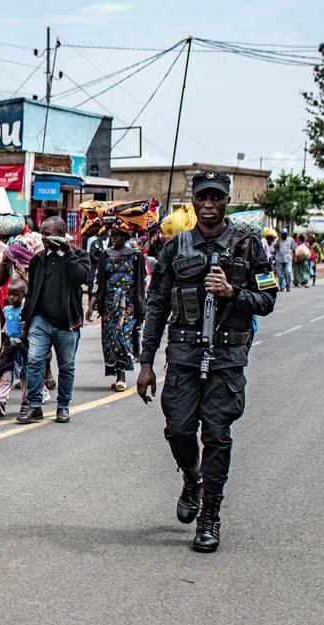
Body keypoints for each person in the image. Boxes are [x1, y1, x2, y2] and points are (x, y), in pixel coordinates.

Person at [137, 170, 276, 553]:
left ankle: (210, 516)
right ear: (193, 201)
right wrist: (146, 361)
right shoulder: (175, 247)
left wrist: (233, 293)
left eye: (217, 198)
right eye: (203, 198)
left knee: (217, 435)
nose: (209, 205)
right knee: (179, 430)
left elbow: (267, 300)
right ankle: (192, 478)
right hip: (182, 355)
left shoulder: (250, 247)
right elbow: (157, 306)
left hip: (228, 357)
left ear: (227, 201)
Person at [17, 216, 89, 424]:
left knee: (66, 366)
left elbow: (82, 277)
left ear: (60, 234)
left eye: (47, 234)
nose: (43, 238)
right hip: (40, 320)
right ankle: (35, 406)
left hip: (67, 323)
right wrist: (25, 319)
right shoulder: (38, 259)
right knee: (34, 360)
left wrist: (67, 253)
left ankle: (63, 406)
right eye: (42, 233)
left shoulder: (78, 255)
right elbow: (32, 292)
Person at [87, 227, 147, 392]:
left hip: (128, 305)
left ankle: (122, 376)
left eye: (118, 235)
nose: (114, 238)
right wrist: (92, 305)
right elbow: (99, 281)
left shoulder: (135, 256)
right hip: (108, 306)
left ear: (126, 236)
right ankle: (116, 373)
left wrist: (141, 305)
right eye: (112, 235)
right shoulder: (105, 255)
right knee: (110, 340)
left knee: (122, 337)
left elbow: (141, 282)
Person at [0, 281, 28, 418]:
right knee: (6, 375)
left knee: (25, 376)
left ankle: (26, 402)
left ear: (23, 295)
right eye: (10, 294)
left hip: (23, 347)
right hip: (9, 347)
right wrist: (0, 346)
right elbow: (5, 329)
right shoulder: (6, 310)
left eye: (16, 295)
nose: (12, 298)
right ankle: (1, 402)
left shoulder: (25, 311)